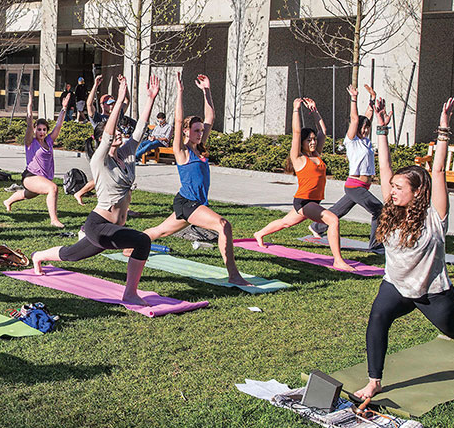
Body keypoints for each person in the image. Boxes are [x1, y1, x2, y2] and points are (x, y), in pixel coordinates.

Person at [353, 96, 454, 401]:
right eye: (393, 187)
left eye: (400, 188)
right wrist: (382, 130)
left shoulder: (435, 216)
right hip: (396, 285)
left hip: (433, 291)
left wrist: (443, 127)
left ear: (417, 192)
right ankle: (374, 381)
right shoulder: (392, 208)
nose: (393, 191)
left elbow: (437, 172)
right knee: (377, 317)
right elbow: (384, 167)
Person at [30, 75, 152, 305]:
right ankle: (130, 293)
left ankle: (39, 256)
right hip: (99, 226)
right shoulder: (99, 160)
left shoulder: (126, 156)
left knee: (71, 254)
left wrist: (151, 99)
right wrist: (120, 99)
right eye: (112, 133)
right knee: (143, 241)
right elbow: (107, 134)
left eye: (118, 133)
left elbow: (139, 131)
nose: (118, 134)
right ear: (102, 139)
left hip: (111, 227)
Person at [127, 73, 251, 286]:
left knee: (160, 231)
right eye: (196, 130)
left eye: (201, 131)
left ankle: (130, 247)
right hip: (188, 203)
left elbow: (210, 117)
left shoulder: (199, 147)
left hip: (190, 202)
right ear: (186, 131)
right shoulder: (182, 151)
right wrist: (180, 92)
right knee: (224, 225)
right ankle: (234, 274)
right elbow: (177, 119)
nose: (200, 133)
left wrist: (207, 91)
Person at [253, 98, 355, 272]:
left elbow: (323, 130)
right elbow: (296, 132)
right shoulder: (299, 159)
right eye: (309, 140)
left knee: (285, 223)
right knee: (333, 220)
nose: (313, 142)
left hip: (313, 202)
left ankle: (259, 233)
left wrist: (314, 111)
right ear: (302, 143)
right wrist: (295, 109)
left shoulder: (317, 154)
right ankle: (338, 260)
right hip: (304, 202)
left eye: (314, 139)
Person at [308, 84, 384, 253]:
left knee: (338, 211)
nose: (364, 130)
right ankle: (376, 245)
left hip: (362, 186)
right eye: (362, 128)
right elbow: (356, 119)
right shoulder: (352, 141)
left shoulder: (365, 141)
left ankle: (317, 227)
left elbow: (367, 117)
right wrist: (354, 98)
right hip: (355, 185)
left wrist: (372, 98)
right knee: (379, 210)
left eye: (367, 128)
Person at [2, 88, 69, 228]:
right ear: (35, 130)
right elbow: (29, 122)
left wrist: (63, 108)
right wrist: (30, 104)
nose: (42, 132)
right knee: (53, 188)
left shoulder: (49, 141)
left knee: (27, 194)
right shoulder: (30, 142)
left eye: (44, 129)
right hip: (30, 176)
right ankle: (54, 219)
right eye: (39, 129)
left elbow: (59, 125)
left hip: (41, 177)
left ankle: (8, 201)